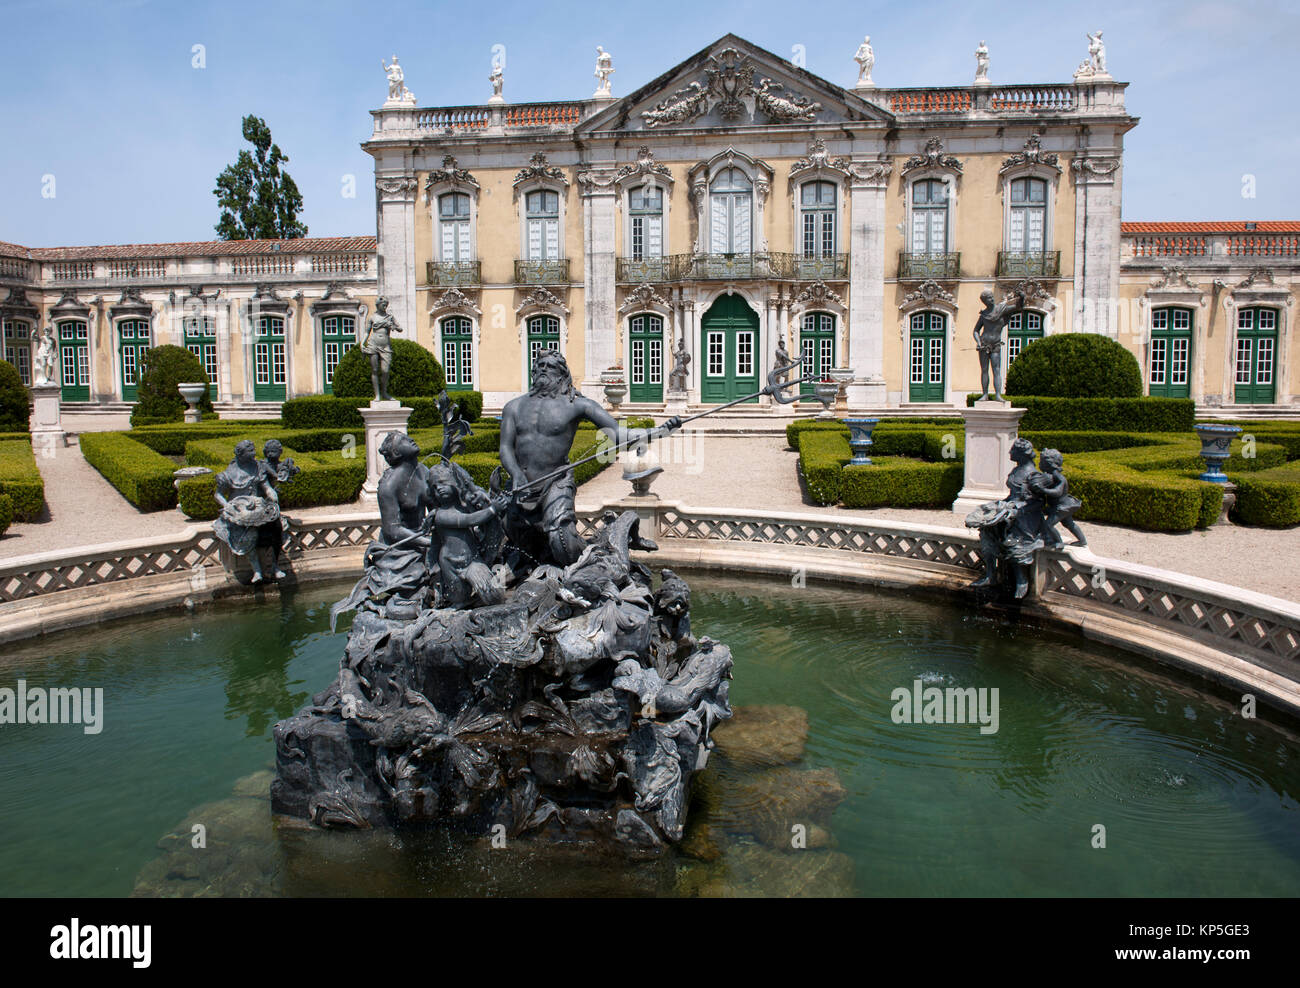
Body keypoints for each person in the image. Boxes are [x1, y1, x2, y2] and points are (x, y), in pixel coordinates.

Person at [499, 350, 678, 567]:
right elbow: (506, 448)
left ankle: (590, 568)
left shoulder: (576, 404)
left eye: (550, 366)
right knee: (514, 535)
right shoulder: (514, 406)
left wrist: (659, 431)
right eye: (541, 365)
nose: (544, 369)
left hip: (556, 481)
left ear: (562, 374)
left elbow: (618, 435)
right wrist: (516, 473)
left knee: (562, 539)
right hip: (522, 483)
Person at [331, 432, 433, 628]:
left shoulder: (422, 470)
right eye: (403, 440)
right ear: (395, 452)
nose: (411, 439)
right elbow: (393, 530)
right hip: (399, 549)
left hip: (423, 537)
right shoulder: (389, 485)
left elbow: (434, 505)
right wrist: (426, 542)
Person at [965, 437, 1046, 599]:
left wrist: (1015, 509)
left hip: (1027, 516)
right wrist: (1000, 506)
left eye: (1013, 450)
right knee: (987, 530)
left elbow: (1039, 503)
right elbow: (1012, 496)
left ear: (1021, 454)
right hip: (1011, 508)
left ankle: (1022, 579)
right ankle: (991, 575)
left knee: (1013, 538)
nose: (1009, 452)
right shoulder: (1017, 470)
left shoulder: (1034, 475)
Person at [426, 462, 510, 608]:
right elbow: (469, 520)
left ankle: (474, 603)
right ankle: (459, 606)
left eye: (442, 483)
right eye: (434, 487)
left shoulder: (465, 506)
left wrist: (486, 500)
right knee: (458, 596)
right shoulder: (441, 515)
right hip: (450, 562)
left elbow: (479, 508)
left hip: (472, 561)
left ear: (455, 484)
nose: (438, 488)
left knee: (494, 596)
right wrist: (492, 510)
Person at [213, 440, 283, 583]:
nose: (253, 454)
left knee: (276, 527)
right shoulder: (228, 474)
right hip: (238, 509)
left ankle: (274, 566)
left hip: (258, 507)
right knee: (248, 533)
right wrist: (227, 506)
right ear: (240, 454)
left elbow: (265, 485)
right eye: (249, 452)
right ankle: (257, 570)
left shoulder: (257, 467)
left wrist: (271, 493)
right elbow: (217, 494)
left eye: (253, 450)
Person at [972, 288, 1024, 401]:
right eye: (988, 299)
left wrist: (1022, 297)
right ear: (984, 302)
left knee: (996, 370)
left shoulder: (1001, 309)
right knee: (984, 370)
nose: (991, 300)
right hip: (984, 344)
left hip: (995, 344)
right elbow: (976, 330)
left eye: (991, 297)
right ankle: (985, 394)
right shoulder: (984, 315)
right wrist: (978, 342)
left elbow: (1017, 307)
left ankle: (998, 395)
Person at [1031, 448, 1086, 547]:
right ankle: (1082, 541)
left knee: (1048, 525)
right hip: (1061, 505)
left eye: (1041, 462)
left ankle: (1058, 541)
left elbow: (1058, 492)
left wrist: (1043, 490)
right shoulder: (1051, 475)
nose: (1039, 465)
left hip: (1062, 507)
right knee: (1069, 524)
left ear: (1049, 464)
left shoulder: (1058, 477)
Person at [361, 296, 402, 401]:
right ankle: (377, 395)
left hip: (385, 346)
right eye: (383, 304)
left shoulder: (390, 317)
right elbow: (367, 332)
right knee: (374, 370)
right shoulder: (372, 317)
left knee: (385, 370)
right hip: (373, 344)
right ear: (378, 305)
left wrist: (393, 326)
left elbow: (400, 328)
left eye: (386, 305)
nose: (385, 306)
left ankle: (384, 392)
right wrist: (362, 343)